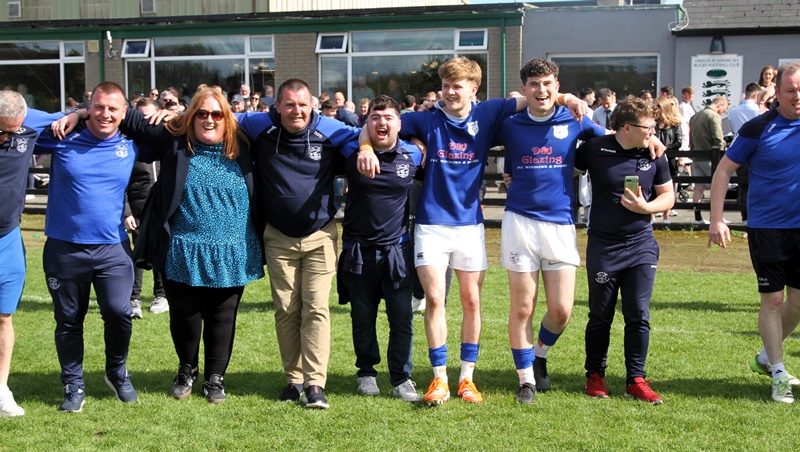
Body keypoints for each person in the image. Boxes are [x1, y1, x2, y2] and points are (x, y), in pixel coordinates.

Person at [357, 57, 587, 407]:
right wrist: (365, 147)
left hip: (470, 225)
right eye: (445, 86)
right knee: (435, 299)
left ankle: (467, 377)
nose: (450, 92)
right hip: (431, 224)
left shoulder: (490, 112)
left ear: (473, 89)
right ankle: (439, 378)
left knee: (472, 301)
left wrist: (568, 97)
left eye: (457, 86)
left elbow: (536, 95)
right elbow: (377, 125)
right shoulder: (425, 119)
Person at [236, 79, 361, 409]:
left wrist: (365, 149)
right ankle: (294, 380)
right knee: (286, 310)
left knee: (316, 308)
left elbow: (365, 136)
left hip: (320, 236)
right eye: (289, 104)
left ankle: (315, 383)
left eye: (303, 104)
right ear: (276, 106)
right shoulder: (258, 125)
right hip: (278, 237)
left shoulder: (330, 129)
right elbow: (219, 116)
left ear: (312, 106)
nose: (297, 111)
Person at [496, 58, 607, 404]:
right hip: (519, 222)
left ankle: (539, 354)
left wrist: (652, 143)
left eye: (547, 84)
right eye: (534, 84)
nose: (541, 90)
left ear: (557, 86)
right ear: (524, 88)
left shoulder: (574, 118)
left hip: (559, 223)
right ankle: (526, 380)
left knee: (561, 310)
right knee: (523, 308)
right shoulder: (509, 123)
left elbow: (615, 143)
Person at [37, 82, 145, 412]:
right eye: (98, 107)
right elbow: (22, 118)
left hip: (112, 249)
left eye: (112, 108)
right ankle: (74, 384)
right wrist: (75, 114)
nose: (104, 114)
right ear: (89, 106)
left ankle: (117, 372)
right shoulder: (62, 137)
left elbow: (173, 130)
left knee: (119, 313)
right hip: (65, 248)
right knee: (69, 319)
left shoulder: (132, 144)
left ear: (124, 113)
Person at [708, 63, 800, 404]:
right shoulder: (758, 128)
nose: (797, 97)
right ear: (777, 92)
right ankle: (778, 374)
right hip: (768, 228)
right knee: (773, 300)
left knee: (798, 303)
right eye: (791, 91)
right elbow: (723, 171)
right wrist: (717, 220)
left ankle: (764, 357)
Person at [576, 95, 674, 405]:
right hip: (604, 245)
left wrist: (647, 207)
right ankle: (595, 375)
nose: (653, 132)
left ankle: (636, 379)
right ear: (627, 128)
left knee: (638, 314)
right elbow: (562, 165)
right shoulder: (595, 149)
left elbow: (668, 196)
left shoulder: (654, 153)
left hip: (642, 244)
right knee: (600, 314)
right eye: (649, 127)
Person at [337, 95, 424, 402]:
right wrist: (364, 146)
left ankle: (401, 378)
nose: (381, 123)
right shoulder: (350, 149)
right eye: (375, 117)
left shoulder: (413, 153)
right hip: (359, 251)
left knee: (402, 318)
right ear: (366, 123)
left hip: (397, 251)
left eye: (388, 117)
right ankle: (366, 373)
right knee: (363, 318)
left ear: (399, 123)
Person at [0, 90, 62, 417]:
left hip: (8, 239)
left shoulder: (29, 125)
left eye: (13, 131)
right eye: (2, 131)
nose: (7, 138)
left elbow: (70, 117)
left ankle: (1, 390)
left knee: (4, 316)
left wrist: (79, 114)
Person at [126, 98, 168, 319]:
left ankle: (161, 295)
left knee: (161, 251)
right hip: (138, 209)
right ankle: (133, 298)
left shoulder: (166, 142)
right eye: (141, 116)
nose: (146, 122)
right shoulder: (128, 146)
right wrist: (126, 212)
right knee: (138, 253)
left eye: (150, 116)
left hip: (162, 209)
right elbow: (120, 183)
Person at [689, 95, 728, 224]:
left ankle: (698, 217)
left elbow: (691, 138)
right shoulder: (713, 116)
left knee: (698, 188)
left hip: (696, 156)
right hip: (710, 157)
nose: (722, 113)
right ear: (719, 105)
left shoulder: (695, 116)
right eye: (723, 109)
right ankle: (716, 217)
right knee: (717, 187)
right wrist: (721, 153)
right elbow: (717, 137)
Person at [654, 96, 683, 222]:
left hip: (669, 158)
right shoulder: (653, 123)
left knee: (668, 187)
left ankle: (666, 217)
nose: (656, 109)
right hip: (654, 156)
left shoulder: (675, 124)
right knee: (652, 186)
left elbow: (679, 141)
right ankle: (652, 216)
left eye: (659, 106)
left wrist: (665, 147)